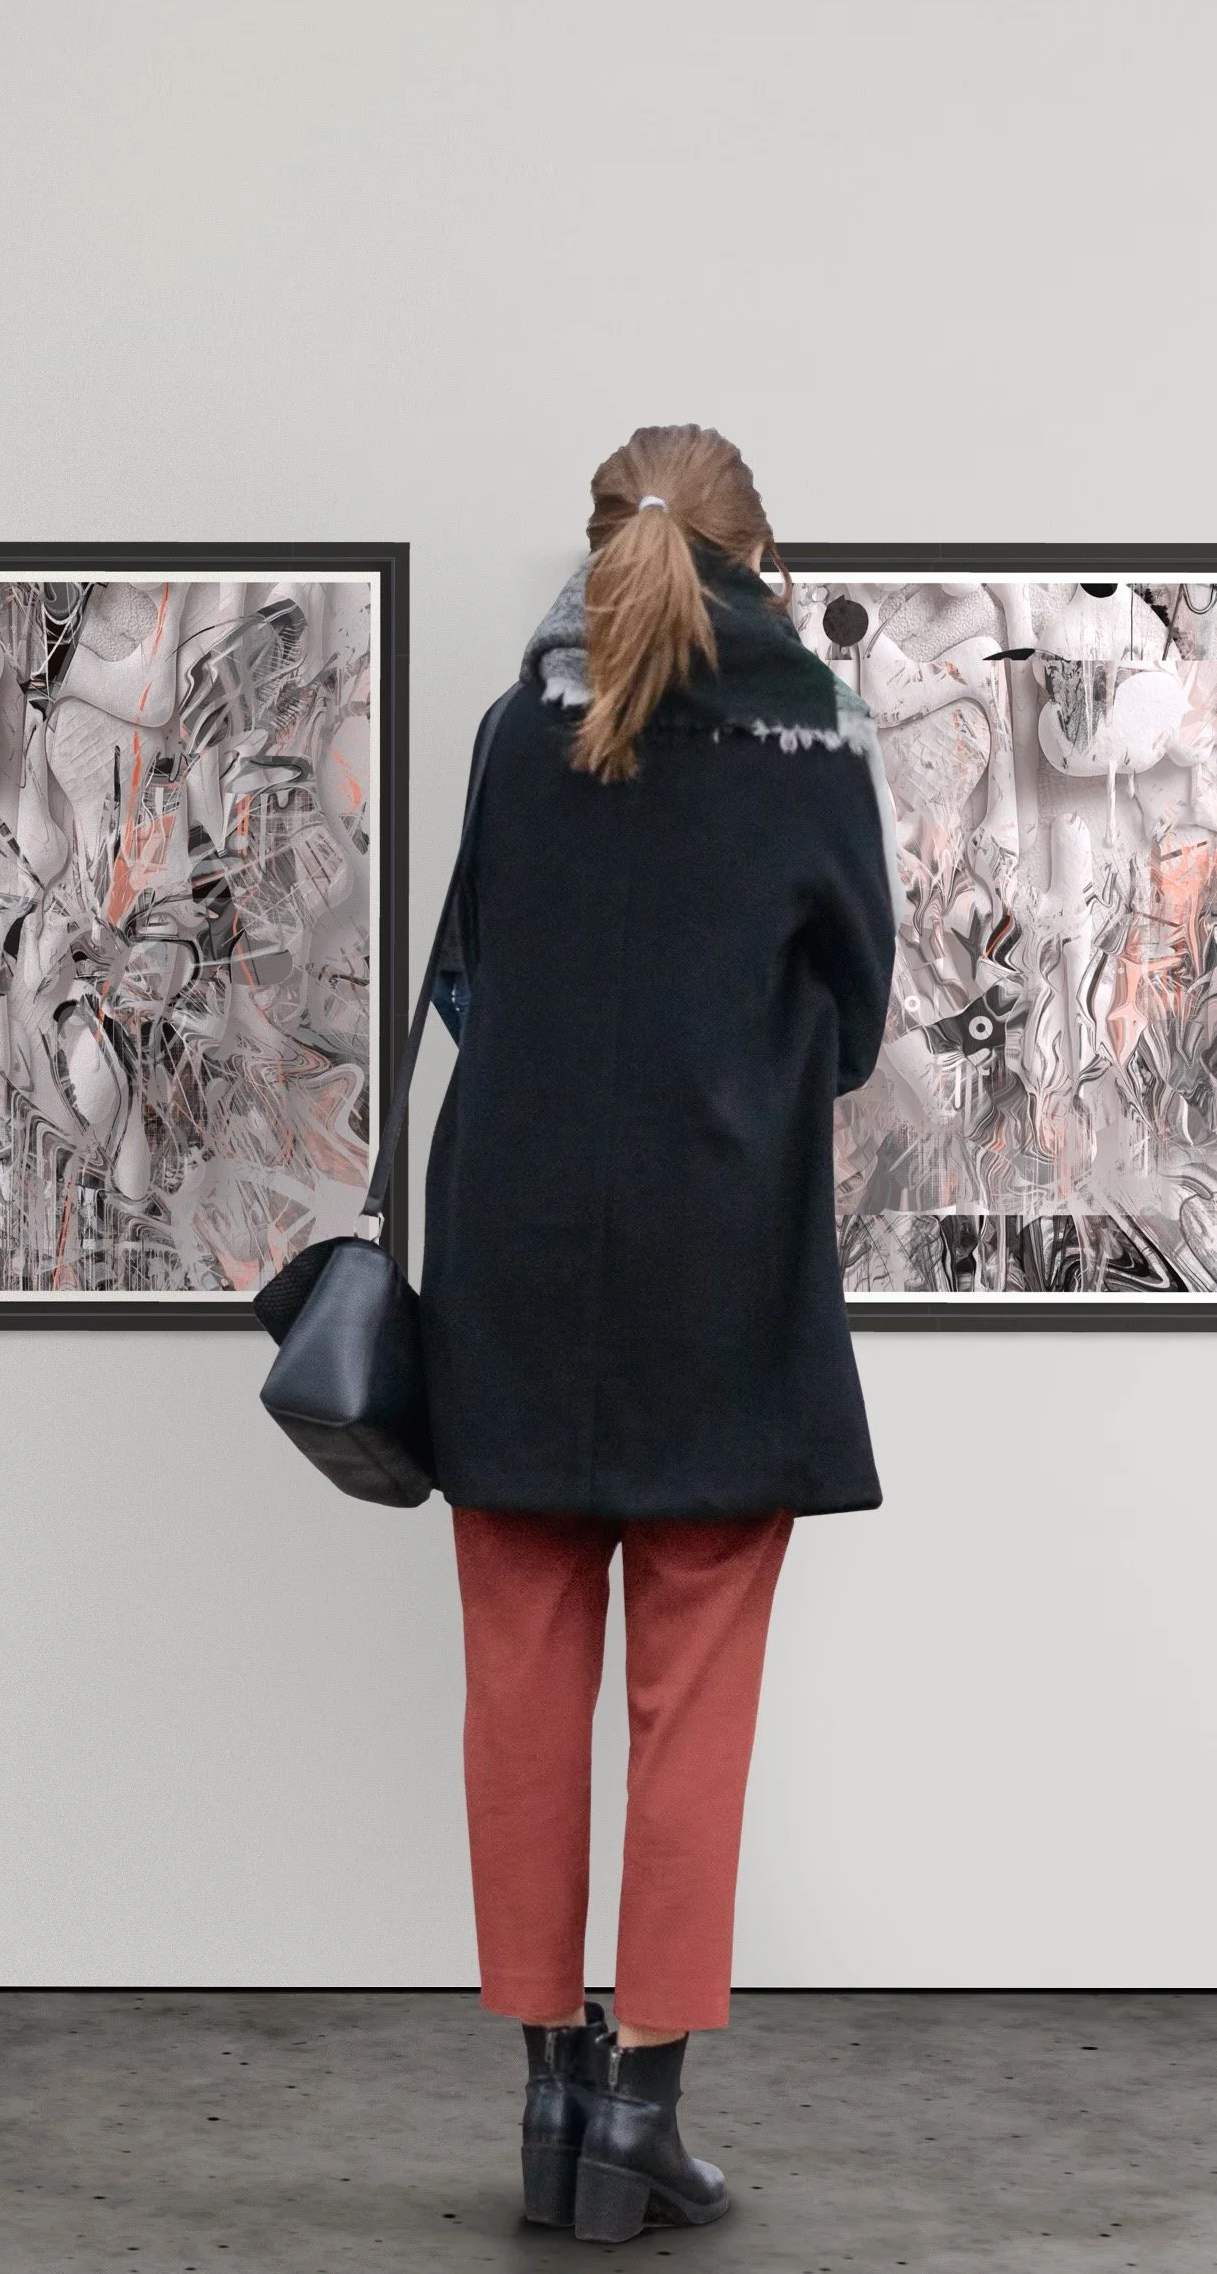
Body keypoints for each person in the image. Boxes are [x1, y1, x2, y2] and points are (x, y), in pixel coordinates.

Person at [418, 425, 898, 2243]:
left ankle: (548, 2105)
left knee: (519, 1693)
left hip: (516, 1267)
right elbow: (852, 1024)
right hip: (718, 1269)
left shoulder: (506, 734)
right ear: (761, 561)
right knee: (690, 1709)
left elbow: (465, 983)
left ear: (604, 543)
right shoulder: (813, 739)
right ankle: (640, 2121)